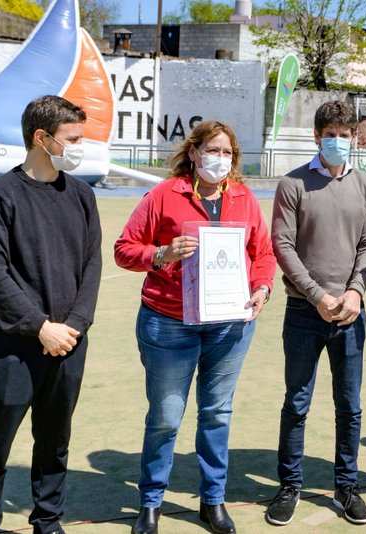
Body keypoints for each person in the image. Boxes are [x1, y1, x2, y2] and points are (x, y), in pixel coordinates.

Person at [114, 120, 276, 534]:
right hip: (169, 322)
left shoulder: (244, 198)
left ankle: (213, 499)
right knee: (167, 416)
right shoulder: (164, 194)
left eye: (227, 153)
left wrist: (261, 287)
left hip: (229, 325)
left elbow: (262, 253)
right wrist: (162, 253)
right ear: (193, 152)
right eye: (213, 150)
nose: (220, 159)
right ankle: (150, 502)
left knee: (217, 414)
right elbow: (124, 249)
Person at [0, 95, 102, 534]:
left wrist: (74, 326)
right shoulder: (0, 196)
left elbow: (91, 266)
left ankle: (48, 520)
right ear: (41, 139)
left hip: (69, 345)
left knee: (54, 443)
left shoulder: (81, 196)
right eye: (72, 138)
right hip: (12, 348)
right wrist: (40, 327)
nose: (81, 146)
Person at [266, 100, 366, 526]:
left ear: (354, 138)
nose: (337, 141)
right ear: (317, 137)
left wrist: (354, 293)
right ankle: (289, 485)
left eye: (345, 134)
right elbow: (283, 245)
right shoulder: (293, 183)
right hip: (303, 311)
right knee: (297, 401)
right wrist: (316, 295)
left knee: (349, 405)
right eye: (329, 134)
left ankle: (346, 486)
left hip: (351, 312)